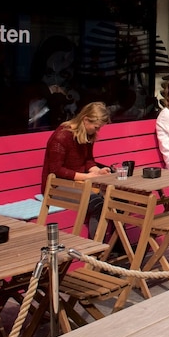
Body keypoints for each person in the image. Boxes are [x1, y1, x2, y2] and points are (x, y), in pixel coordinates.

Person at [40, 101, 113, 236]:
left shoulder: (87, 134)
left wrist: (97, 171)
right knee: (98, 204)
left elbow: (88, 160)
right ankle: (96, 247)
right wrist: (86, 177)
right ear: (85, 120)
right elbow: (56, 169)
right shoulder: (61, 136)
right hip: (56, 186)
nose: (97, 131)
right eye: (96, 127)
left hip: (78, 182)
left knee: (116, 198)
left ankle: (117, 247)